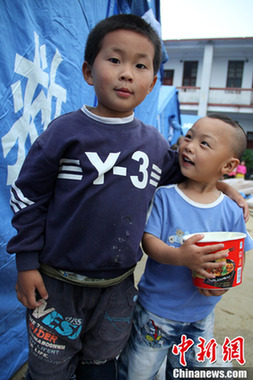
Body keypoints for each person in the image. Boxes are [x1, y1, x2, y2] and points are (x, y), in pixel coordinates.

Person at [7, 14, 247, 380]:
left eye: (140, 65)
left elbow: (191, 170)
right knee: (49, 371)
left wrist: (226, 185)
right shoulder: (65, 132)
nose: (126, 73)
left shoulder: (152, 145)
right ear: (88, 71)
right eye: (114, 60)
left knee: (102, 366)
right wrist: (26, 263)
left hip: (117, 288)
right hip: (56, 283)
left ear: (152, 84)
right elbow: (28, 196)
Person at [118, 113, 253, 380]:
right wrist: (181, 257)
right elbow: (148, 241)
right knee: (139, 370)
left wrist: (225, 283)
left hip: (202, 314)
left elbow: (239, 253)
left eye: (204, 143)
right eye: (189, 137)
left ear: (229, 165)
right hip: (156, 312)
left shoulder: (230, 209)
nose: (188, 145)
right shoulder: (166, 196)